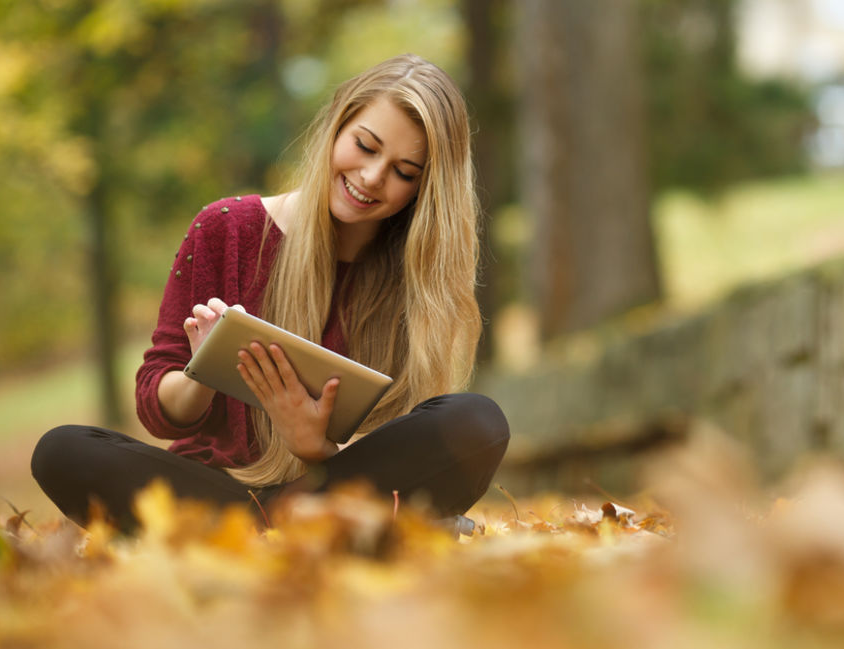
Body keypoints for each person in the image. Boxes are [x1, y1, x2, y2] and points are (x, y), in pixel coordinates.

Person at [31, 54, 509, 532]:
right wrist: (203, 372)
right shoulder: (228, 228)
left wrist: (315, 447)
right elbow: (157, 409)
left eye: (404, 171)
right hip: (213, 486)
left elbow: (402, 444)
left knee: (478, 424)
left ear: (425, 187)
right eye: (365, 146)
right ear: (338, 125)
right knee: (62, 450)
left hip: (335, 484)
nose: (371, 177)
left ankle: (275, 529)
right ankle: (328, 529)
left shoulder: (419, 278)